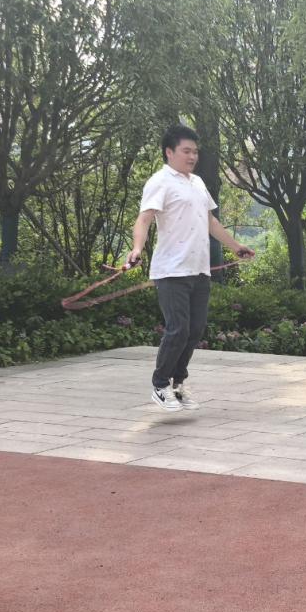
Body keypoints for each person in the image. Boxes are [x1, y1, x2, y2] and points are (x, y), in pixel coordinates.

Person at [128, 124, 254, 412]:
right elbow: (144, 219)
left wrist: (236, 246)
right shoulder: (160, 181)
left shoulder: (197, 183)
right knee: (178, 329)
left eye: (195, 152)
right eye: (186, 151)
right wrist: (137, 249)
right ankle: (160, 385)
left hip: (199, 270)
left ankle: (177, 384)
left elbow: (211, 221)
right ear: (169, 152)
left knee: (195, 330)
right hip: (171, 271)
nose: (192, 156)